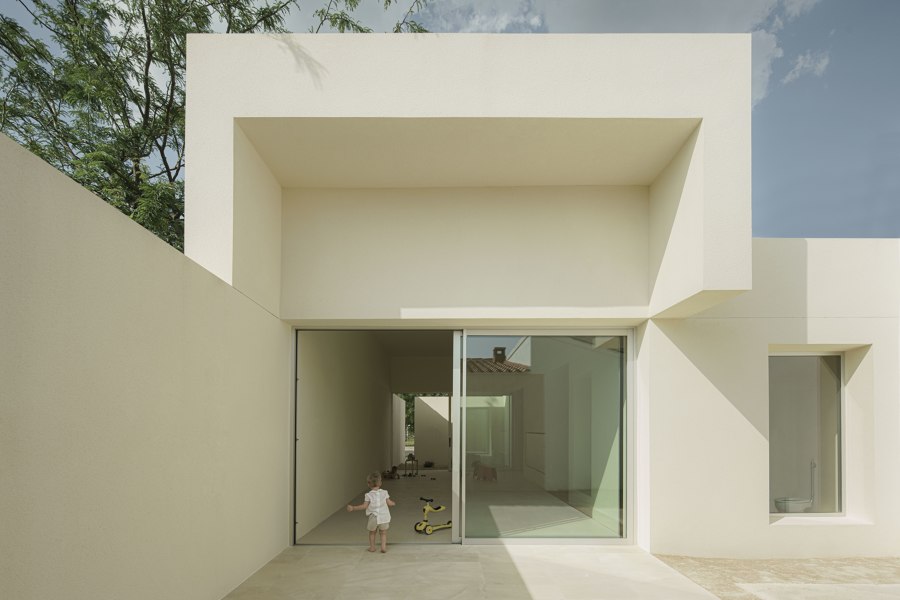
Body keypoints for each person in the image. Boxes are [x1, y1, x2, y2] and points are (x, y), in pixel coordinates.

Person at [347, 471, 396, 553]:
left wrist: (353, 508)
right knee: (383, 533)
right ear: (380, 483)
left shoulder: (368, 495)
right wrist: (393, 503)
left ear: (368, 484)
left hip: (374, 517)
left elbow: (364, 506)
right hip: (384, 517)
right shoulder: (385, 492)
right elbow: (389, 503)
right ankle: (383, 547)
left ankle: (372, 547)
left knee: (372, 533)